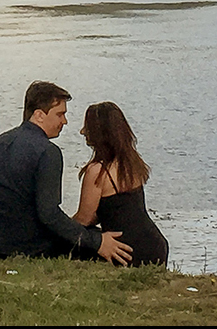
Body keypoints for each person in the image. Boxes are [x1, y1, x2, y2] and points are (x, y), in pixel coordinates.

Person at [0, 81, 132, 264]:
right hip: (28, 248)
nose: (64, 121)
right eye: (60, 114)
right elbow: (49, 215)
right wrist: (97, 243)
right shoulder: (47, 152)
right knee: (105, 240)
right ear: (39, 115)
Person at [71, 101, 169, 267]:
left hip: (124, 249)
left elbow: (84, 219)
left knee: (71, 242)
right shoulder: (132, 163)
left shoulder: (98, 170)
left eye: (87, 127)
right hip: (155, 245)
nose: (82, 132)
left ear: (99, 132)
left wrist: (58, 227)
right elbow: (117, 209)